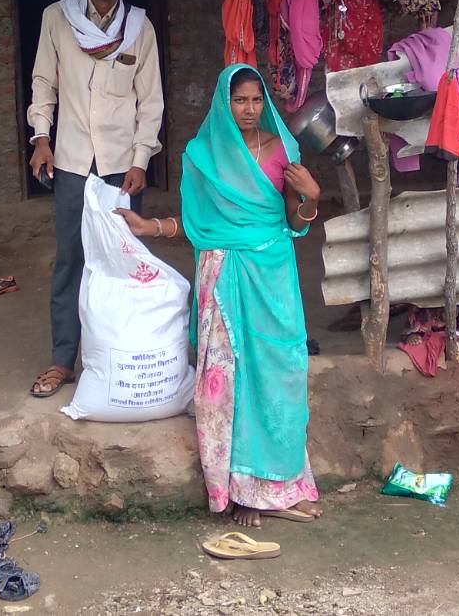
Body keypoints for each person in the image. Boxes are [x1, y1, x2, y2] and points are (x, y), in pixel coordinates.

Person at [116, 65, 324, 528]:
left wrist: (311, 197)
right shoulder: (201, 156)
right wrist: (150, 228)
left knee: (281, 375)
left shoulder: (282, 150)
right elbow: (196, 227)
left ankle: (283, 487)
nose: (248, 109)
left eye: (255, 100)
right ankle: (239, 491)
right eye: (239, 101)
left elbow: (296, 222)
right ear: (222, 104)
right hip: (223, 276)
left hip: (273, 278)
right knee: (227, 383)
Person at [26, 0, 164, 399]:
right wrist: (41, 138)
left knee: (123, 260)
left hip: (122, 166)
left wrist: (142, 160)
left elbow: (152, 102)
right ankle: (62, 359)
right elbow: (43, 81)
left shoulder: (139, 28)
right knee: (71, 260)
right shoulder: (57, 18)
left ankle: (118, 356)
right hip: (69, 159)